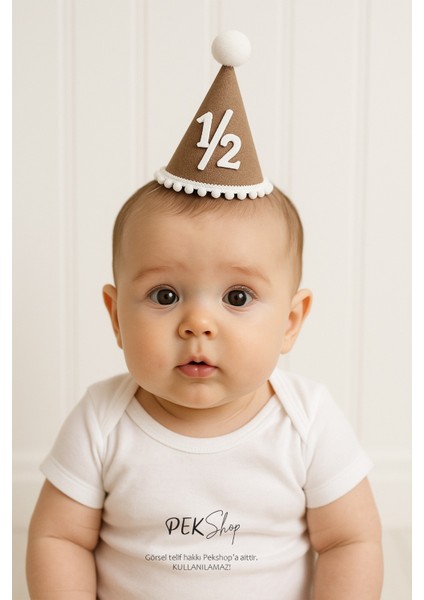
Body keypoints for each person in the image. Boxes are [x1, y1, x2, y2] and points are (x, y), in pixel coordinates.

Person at [26, 31, 383, 600]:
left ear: (291, 322)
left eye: (237, 298)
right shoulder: (102, 421)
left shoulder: (307, 423)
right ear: (115, 316)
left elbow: (350, 541)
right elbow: (60, 538)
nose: (197, 323)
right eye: (165, 295)